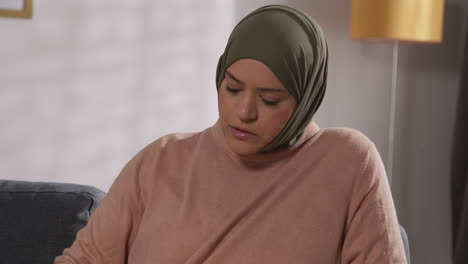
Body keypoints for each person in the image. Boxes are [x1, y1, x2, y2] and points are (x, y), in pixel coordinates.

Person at [55, 5, 406, 263]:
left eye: (270, 100)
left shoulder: (347, 161)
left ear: (306, 99)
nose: (244, 112)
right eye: (233, 88)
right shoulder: (161, 159)